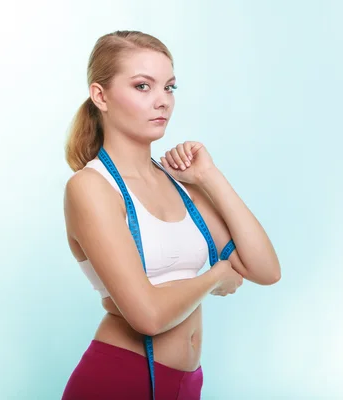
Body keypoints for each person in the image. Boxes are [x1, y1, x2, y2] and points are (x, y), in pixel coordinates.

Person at [60, 30, 281, 400]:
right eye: (143, 87)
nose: (162, 101)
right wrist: (215, 277)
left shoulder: (180, 184)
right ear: (101, 96)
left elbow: (265, 270)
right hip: (118, 379)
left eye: (170, 88)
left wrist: (210, 177)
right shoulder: (91, 188)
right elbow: (146, 315)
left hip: (186, 384)